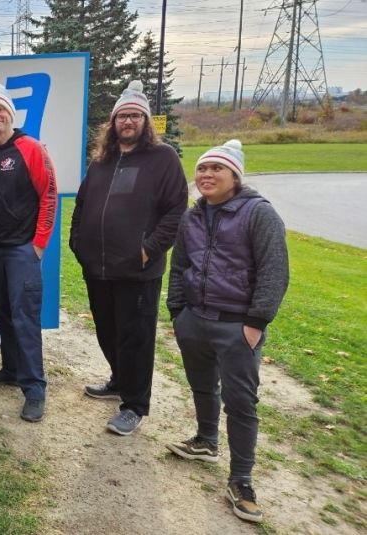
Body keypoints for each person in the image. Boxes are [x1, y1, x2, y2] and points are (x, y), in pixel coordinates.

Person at [166, 140, 289, 523]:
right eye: (202, 169)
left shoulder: (259, 214)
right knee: (202, 385)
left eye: (216, 169)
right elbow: (179, 264)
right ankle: (206, 439)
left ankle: (241, 479)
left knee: (240, 402)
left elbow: (274, 271)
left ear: (235, 175)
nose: (206, 175)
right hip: (195, 320)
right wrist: (177, 312)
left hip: (237, 326)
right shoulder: (193, 217)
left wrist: (255, 323)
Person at [69, 80, 188, 436]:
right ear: (113, 122)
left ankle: (135, 405)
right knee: (107, 330)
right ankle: (119, 381)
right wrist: (78, 242)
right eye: (123, 116)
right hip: (99, 267)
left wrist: (148, 248)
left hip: (138, 270)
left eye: (136, 115)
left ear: (146, 121)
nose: (129, 121)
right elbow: (84, 205)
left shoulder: (162, 158)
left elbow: (176, 210)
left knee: (135, 338)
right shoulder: (101, 160)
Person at [0, 84, 58, 423]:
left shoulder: (30, 148)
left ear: (10, 114)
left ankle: (35, 388)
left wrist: (38, 244)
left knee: (25, 318)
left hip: (21, 249)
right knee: (2, 313)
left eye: (0, 110)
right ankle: (10, 369)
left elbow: (49, 195)